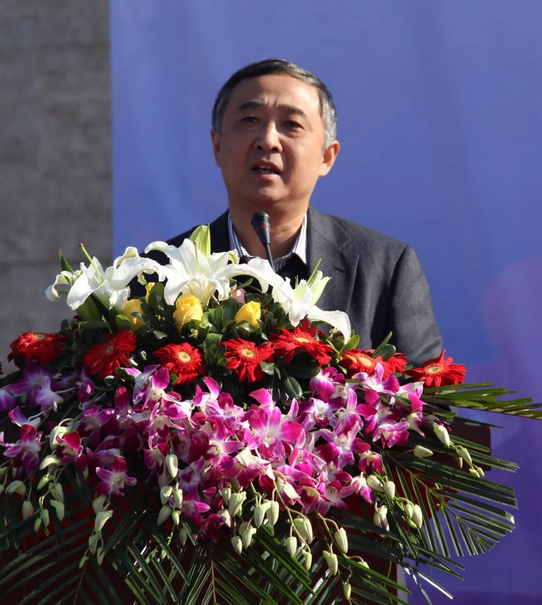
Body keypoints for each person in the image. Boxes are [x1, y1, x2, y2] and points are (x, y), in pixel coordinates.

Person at [159, 58, 442, 366]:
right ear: (217, 146)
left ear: (326, 157)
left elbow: (428, 393)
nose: (268, 140)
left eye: (292, 124)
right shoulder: (160, 271)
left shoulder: (387, 268)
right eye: (250, 119)